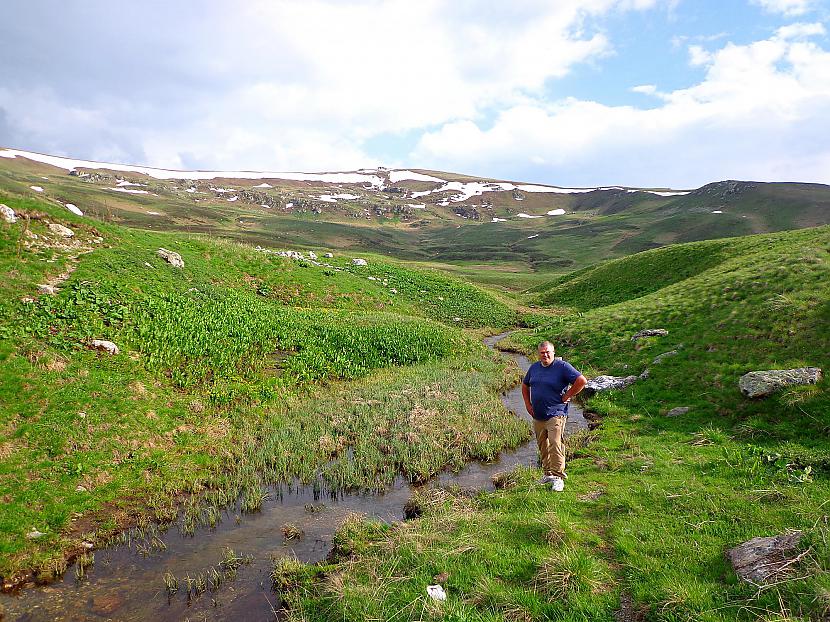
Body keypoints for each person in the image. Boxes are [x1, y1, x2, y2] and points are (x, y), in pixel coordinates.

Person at [521, 340, 587, 491]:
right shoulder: (534, 368)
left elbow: (581, 381)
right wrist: (527, 404)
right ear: (538, 354)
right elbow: (525, 385)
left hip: (556, 413)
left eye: (548, 352)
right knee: (542, 444)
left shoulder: (562, 367)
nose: (545, 355)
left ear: (553, 352)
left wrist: (568, 395)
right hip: (538, 414)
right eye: (542, 353)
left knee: (555, 443)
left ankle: (558, 477)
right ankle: (548, 474)